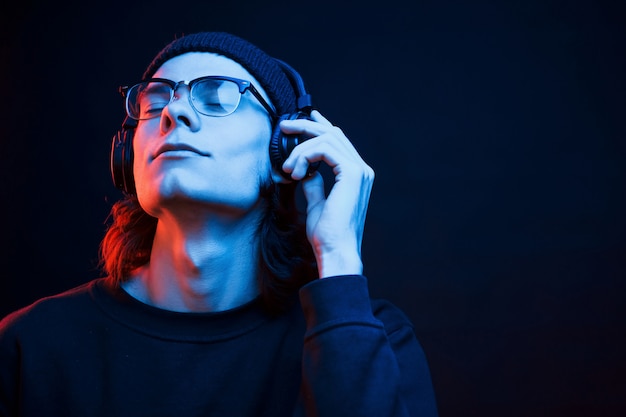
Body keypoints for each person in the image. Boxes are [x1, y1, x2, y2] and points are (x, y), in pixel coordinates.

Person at [0, 31, 438, 416]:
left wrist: (339, 260)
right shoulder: (27, 346)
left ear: (283, 151)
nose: (174, 114)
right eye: (154, 102)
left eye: (216, 97)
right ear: (128, 158)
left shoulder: (372, 336)